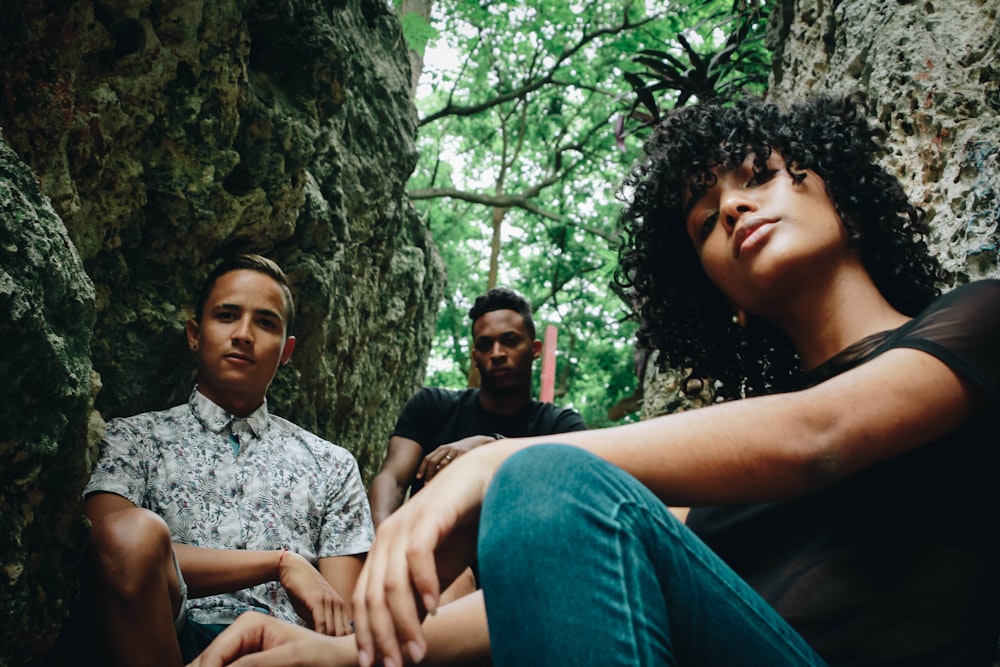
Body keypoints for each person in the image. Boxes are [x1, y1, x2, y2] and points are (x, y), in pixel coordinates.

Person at [191, 94, 1000, 667]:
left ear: (844, 197)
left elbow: (821, 435)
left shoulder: (977, 319)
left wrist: (492, 462)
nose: (730, 210)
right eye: (703, 218)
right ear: (724, 301)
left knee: (544, 478)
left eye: (756, 176)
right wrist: (339, 653)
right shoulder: (725, 476)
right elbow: (544, 597)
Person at [84, 254, 375, 667]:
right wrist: (280, 564)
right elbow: (108, 547)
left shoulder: (333, 465)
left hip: (287, 654)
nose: (243, 334)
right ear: (194, 333)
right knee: (131, 532)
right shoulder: (133, 438)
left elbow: (339, 621)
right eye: (226, 316)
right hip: (165, 641)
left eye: (266, 323)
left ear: (287, 351)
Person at [369, 287, 586, 599]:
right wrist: (385, 541)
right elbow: (392, 477)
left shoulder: (560, 426)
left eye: (510, 340)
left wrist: (488, 449)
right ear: (475, 357)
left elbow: (576, 492)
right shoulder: (432, 406)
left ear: (534, 348)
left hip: (519, 586)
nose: (497, 352)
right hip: (429, 576)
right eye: (485, 345)